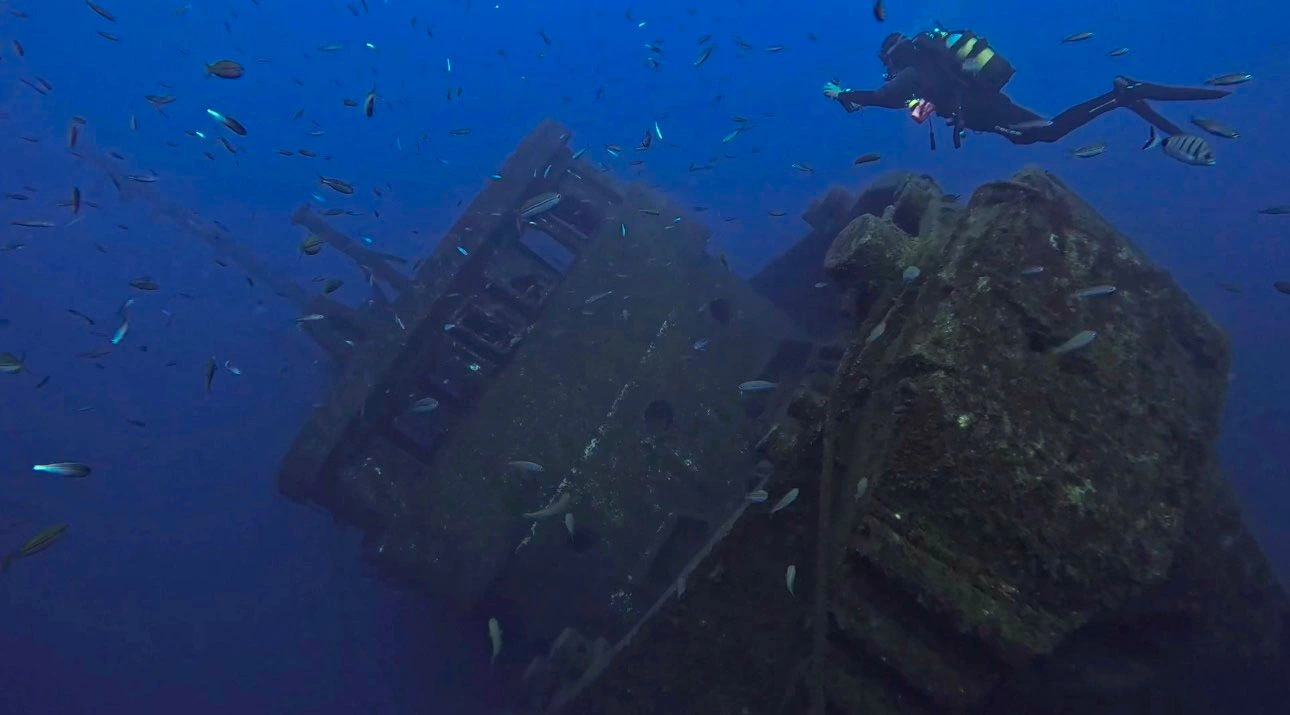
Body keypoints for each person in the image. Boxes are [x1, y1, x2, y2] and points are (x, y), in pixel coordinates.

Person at [823, 27, 1232, 149]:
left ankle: (1121, 95)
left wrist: (842, 94)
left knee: (1047, 132)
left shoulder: (912, 72)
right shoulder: (927, 71)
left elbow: (882, 98)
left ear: (892, 57)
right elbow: (914, 106)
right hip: (986, 100)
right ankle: (1121, 96)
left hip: (983, 110)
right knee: (1042, 128)